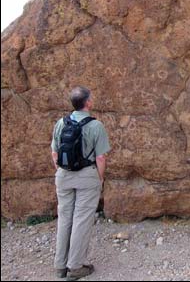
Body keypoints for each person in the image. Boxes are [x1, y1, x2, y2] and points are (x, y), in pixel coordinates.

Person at [51, 86, 111, 280]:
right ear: (88, 103)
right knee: (81, 219)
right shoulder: (96, 126)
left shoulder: (61, 123)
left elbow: (55, 153)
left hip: (63, 175)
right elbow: (101, 157)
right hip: (87, 175)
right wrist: (99, 178)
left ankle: (60, 265)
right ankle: (75, 266)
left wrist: (62, 171)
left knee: (65, 218)